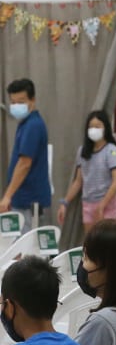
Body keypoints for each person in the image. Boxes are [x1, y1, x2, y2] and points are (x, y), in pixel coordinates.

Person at [57, 110, 116, 233]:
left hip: (107, 203)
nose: (93, 130)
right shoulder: (82, 151)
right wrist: (65, 202)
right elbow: (78, 181)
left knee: (105, 240)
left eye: (97, 126)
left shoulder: (111, 150)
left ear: (105, 128)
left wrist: (103, 204)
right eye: (91, 127)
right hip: (88, 203)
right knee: (90, 242)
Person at [1, 79, 51, 231]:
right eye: (13, 102)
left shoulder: (33, 125)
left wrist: (7, 196)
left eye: (21, 101)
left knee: (28, 247)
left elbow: (25, 163)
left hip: (29, 200)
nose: (16, 106)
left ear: (32, 100)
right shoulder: (25, 124)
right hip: (22, 198)